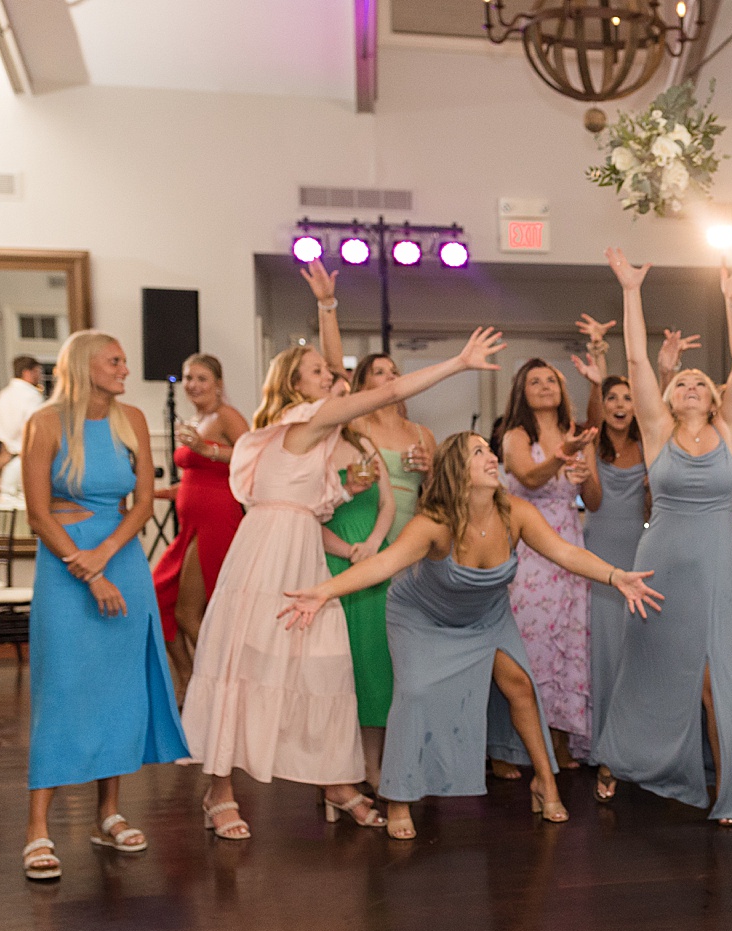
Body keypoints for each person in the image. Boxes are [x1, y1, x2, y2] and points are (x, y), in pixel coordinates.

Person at [180, 320, 506, 840]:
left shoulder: (317, 437)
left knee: (327, 668)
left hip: (303, 549)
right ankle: (219, 791)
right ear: (296, 386)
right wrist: (459, 364)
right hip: (266, 557)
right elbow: (392, 390)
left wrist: (350, 549)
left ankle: (335, 780)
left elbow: (306, 513)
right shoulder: (306, 421)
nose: (331, 377)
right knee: (245, 662)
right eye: (317, 372)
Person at [281, 432, 661, 838]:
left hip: (487, 615)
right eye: (478, 452)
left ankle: (544, 783)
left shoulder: (515, 513)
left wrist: (616, 576)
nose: (491, 457)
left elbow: (565, 552)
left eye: (489, 450)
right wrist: (323, 591)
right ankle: (399, 796)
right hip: (421, 618)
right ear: (457, 471)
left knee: (520, 686)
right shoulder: (434, 524)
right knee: (415, 692)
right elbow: (385, 564)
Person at [595, 247, 732, 825]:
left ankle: (730, 792)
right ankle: (619, 759)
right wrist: (631, 290)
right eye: (683, 380)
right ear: (668, 398)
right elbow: (639, 365)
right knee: (647, 667)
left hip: (715, 565)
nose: (691, 382)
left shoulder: (730, 428)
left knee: (717, 680)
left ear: (714, 398)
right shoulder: (656, 429)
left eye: (700, 380)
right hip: (660, 562)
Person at [20, 331, 188, 881]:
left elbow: (141, 504)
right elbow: (40, 514)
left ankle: (108, 813)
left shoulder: (132, 419)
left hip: (120, 561)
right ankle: (38, 827)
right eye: (114, 360)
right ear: (84, 366)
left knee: (119, 690)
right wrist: (85, 569)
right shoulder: (45, 424)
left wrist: (106, 556)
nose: (124, 367)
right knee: (63, 688)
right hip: (65, 566)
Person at [499, 356, 599, 770]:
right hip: (531, 553)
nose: (544, 387)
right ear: (522, 391)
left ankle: (559, 741)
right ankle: (513, 746)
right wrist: (562, 457)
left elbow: (593, 501)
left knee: (570, 646)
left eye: (551, 381)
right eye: (534, 381)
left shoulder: (579, 436)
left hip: (569, 548)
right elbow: (526, 477)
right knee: (531, 646)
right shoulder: (515, 435)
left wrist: (583, 474)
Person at [307, 266, 438, 543]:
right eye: (379, 372)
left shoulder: (421, 434)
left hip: (409, 530)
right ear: (363, 388)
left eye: (393, 371)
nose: (390, 376)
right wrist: (327, 305)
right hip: (364, 525)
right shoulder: (354, 425)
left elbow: (437, 494)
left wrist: (428, 471)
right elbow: (335, 368)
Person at [572, 348, 649, 803]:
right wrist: (585, 471)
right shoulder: (591, 444)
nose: (620, 405)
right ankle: (605, 751)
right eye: (613, 398)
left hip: (640, 551)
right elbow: (594, 502)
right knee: (605, 654)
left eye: (627, 398)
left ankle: (637, 749)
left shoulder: (650, 445)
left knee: (637, 654)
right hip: (600, 552)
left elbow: (654, 510)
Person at [150, 354, 248, 694]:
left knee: (189, 612)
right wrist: (157, 493)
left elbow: (251, 456)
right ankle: (191, 683)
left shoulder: (226, 416)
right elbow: (196, 481)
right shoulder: (196, 418)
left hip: (218, 522)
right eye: (188, 377)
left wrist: (206, 447)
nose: (193, 384)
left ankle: (217, 687)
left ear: (218, 384)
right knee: (160, 600)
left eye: (201, 378)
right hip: (191, 523)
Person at [320, 423, 396, 789]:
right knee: (336, 664)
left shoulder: (364, 442)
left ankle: (371, 765)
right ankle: (333, 773)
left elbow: (388, 502)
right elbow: (306, 513)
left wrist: (373, 546)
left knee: (373, 662)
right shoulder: (309, 448)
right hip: (329, 556)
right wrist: (347, 551)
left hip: (372, 557)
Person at [0, 355, 46, 477]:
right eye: (37, 372)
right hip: (24, 459)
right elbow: (35, 430)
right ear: (27, 373)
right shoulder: (32, 397)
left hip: (4, 459)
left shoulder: (2, 396)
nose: (40, 377)